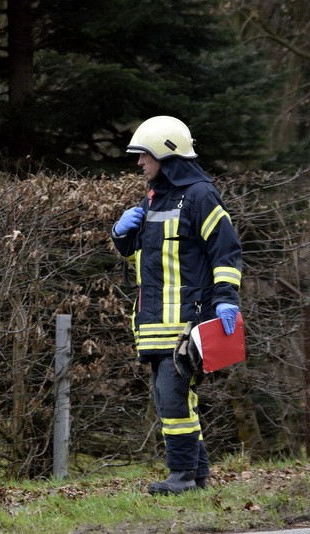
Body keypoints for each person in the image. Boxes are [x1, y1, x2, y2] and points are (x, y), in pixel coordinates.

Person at [111, 116, 243, 495]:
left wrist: (225, 300)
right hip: (154, 323)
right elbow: (137, 250)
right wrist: (120, 233)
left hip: (189, 320)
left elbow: (226, 252)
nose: (139, 164)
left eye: (144, 156)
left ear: (165, 155)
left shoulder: (201, 196)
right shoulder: (154, 197)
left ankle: (182, 474)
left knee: (173, 396)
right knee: (168, 396)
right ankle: (197, 476)